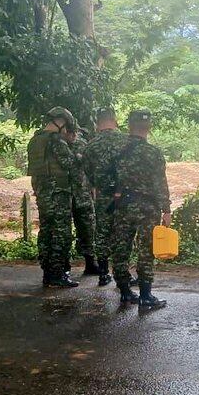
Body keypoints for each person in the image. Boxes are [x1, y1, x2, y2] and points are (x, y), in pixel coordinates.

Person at [109, 110, 171, 309]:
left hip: (123, 205)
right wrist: (166, 210)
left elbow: (104, 178)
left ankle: (125, 293)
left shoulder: (116, 151)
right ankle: (146, 296)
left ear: (129, 126)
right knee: (146, 251)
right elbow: (161, 184)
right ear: (148, 127)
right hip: (147, 208)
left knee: (121, 248)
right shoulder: (153, 153)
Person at [26, 107, 80, 288]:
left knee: (46, 231)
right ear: (61, 122)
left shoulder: (35, 141)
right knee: (61, 233)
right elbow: (70, 164)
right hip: (59, 194)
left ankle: (47, 273)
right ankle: (57, 275)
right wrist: (76, 151)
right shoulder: (56, 141)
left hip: (43, 193)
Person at [83, 107, 128, 287]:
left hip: (103, 196)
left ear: (97, 122)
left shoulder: (91, 146)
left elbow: (88, 173)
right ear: (114, 120)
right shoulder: (126, 141)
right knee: (123, 233)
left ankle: (103, 273)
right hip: (124, 196)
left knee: (102, 233)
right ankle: (123, 275)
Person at [65, 124, 100, 278]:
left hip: (81, 192)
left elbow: (89, 166)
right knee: (65, 230)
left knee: (87, 229)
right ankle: (65, 265)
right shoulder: (59, 142)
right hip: (66, 192)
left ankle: (90, 263)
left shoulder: (80, 143)